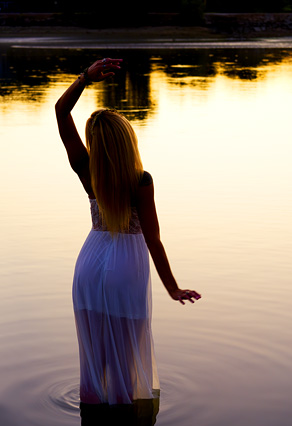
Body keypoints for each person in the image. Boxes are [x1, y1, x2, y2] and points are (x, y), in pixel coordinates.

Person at [55, 58, 201, 406]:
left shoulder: (86, 169)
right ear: (126, 141)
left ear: (95, 143)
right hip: (126, 267)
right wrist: (172, 288)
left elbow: (61, 112)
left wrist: (84, 78)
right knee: (127, 349)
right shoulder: (141, 181)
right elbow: (152, 239)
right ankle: (124, 415)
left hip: (88, 266)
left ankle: (92, 408)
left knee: (95, 352)